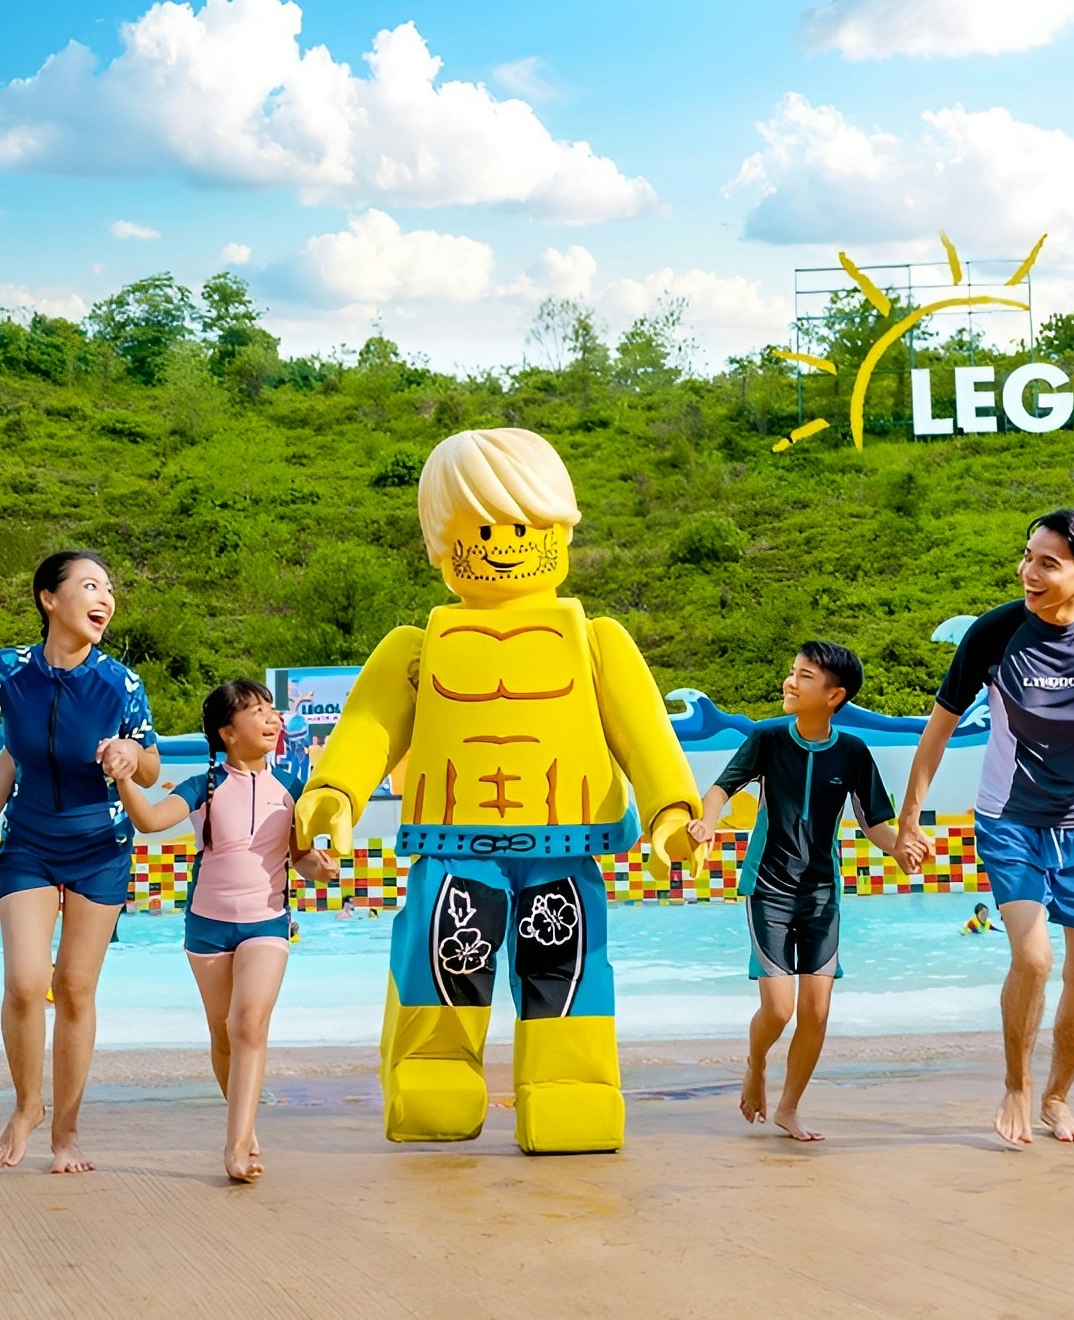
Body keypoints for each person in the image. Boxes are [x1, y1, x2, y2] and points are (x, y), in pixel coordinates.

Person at [295, 427, 700, 1153]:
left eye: (524, 524)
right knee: (444, 960)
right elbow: (369, 727)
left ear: (560, 528)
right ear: (439, 543)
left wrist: (673, 809)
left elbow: (646, 736)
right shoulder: (414, 649)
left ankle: (571, 1086)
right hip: (456, 848)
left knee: (566, 967)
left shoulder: (597, 641)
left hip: (563, 846)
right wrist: (336, 791)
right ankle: (431, 1072)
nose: (504, 542)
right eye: (480, 528)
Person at [895, 509, 1074, 1147]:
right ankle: (1017, 1084)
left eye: (1049, 563)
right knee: (1033, 956)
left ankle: (1056, 1097)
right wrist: (910, 816)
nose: (1030, 572)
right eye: (1028, 556)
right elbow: (937, 730)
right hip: (1009, 819)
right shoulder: (995, 632)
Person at [0, 551, 160, 1173]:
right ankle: (28, 1106)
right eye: (89, 585)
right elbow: (11, 749)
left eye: (108, 588)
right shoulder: (7, 671)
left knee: (74, 988)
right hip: (27, 839)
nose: (104, 598)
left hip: (99, 847)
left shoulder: (120, 684)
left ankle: (68, 1133)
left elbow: (153, 766)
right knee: (26, 982)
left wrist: (131, 755)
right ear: (50, 599)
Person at [107, 679, 335, 1184]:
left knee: (247, 1023)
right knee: (222, 1032)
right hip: (207, 926)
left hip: (267, 922)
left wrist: (320, 868)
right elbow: (147, 820)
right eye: (258, 710)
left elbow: (300, 859)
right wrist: (123, 777)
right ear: (228, 732)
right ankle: (244, 1125)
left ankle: (236, 1146)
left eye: (272, 709)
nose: (272, 718)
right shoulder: (204, 786)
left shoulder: (293, 790)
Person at [686, 641, 899, 1143]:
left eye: (805, 677)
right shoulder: (766, 738)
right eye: (792, 672)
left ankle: (789, 1107)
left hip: (823, 894)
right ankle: (756, 1064)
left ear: (834, 695)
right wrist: (707, 822)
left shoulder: (852, 751)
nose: (790, 682)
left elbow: (876, 824)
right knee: (780, 1010)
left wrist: (902, 849)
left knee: (818, 1012)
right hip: (768, 887)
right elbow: (722, 787)